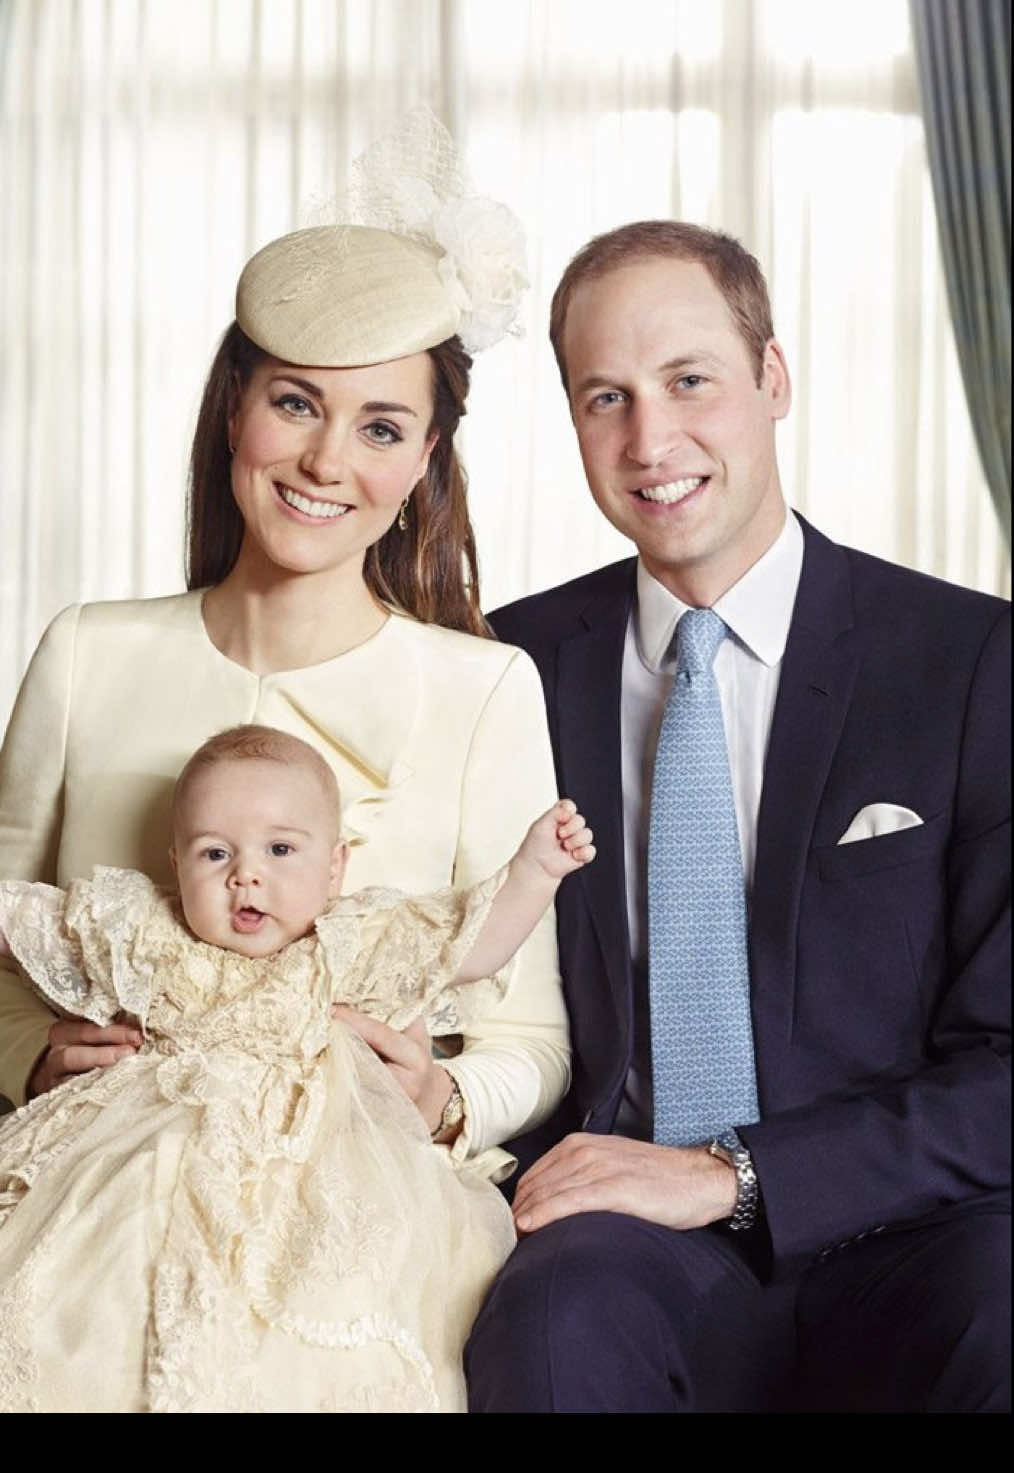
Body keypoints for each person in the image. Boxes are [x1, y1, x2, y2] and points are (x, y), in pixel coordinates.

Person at [466, 220, 1011, 1413]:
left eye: (689, 380)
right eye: (603, 396)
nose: (650, 441)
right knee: (552, 1324)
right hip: (622, 1239)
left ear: (773, 379)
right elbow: (453, 963)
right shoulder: (505, 668)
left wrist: (735, 1174)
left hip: (912, 1228)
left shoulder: (971, 661)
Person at [0, 115, 568, 1215]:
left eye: (381, 428)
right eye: (297, 404)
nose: (325, 461)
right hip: (102, 1194)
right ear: (235, 412)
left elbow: (530, 1039)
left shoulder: (486, 690)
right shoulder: (85, 654)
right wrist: (27, 1059)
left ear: (424, 464)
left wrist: (445, 1097)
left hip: (361, 1209)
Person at [0, 723, 594, 1413]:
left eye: (280, 849)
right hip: (148, 1151)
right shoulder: (145, 930)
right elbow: (27, 923)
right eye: (214, 852)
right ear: (175, 861)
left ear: (336, 866)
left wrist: (534, 872)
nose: (245, 874)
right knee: (82, 1290)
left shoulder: (348, 941)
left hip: (317, 1168)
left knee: (328, 1308)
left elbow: (469, 943)